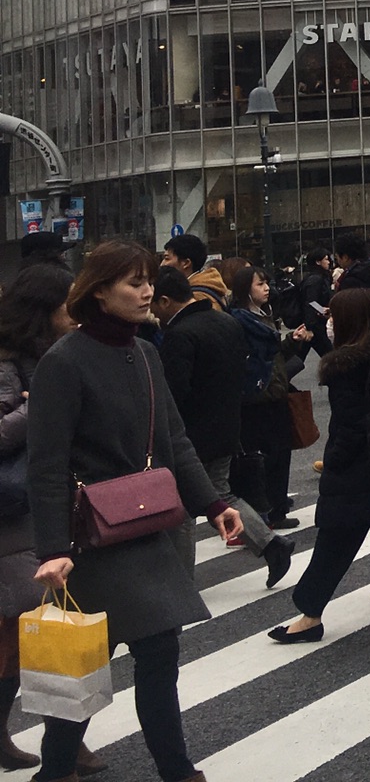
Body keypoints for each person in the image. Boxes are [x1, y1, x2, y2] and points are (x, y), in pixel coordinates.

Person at [30, 240, 246, 782]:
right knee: (83, 665)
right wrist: (53, 549)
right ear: (98, 292)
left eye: (149, 279)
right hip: (90, 542)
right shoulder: (63, 362)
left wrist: (213, 502)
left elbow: (174, 437)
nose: (147, 290)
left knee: (155, 650)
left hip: (147, 526)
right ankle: (59, 771)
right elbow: (48, 465)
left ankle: (173, 769)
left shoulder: (147, 352)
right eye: (133, 282)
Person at [267, 287, 370, 642]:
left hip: (357, 469)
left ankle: (310, 615)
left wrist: (335, 459)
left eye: (334, 316)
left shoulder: (346, 366)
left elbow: (351, 425)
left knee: (335, 541)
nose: (329, 322)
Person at [0, 265, 93, 775]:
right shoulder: (7, 364)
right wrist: (33, 412)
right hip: (13, 515)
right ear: (44, 309)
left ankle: (66, 736)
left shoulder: (58, 356)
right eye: (68, 303)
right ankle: (58, 739)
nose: (75, 313)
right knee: (25, 632)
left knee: (47, 627)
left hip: (51, 507)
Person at [151, 267, 292, 585]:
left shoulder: (180, 334)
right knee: (220, 492)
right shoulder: (225, 320)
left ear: (165, 300)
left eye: (155, 305)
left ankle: (182, 582)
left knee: (184, 505)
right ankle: (272, 546)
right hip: (228, 423)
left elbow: (174, 392)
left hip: (191, 433)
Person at [230, 264, 311, 530]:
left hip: (274, 394)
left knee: (279, 454)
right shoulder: (241, 321)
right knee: (262, 459)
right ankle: (265, 513)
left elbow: (274, 357)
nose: (266, 288)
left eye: (266, 283)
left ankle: (275, 508)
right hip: (256, 400)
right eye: (259, 284)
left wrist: (293, 342)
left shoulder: (265, 316)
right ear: (245, 289)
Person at [159, 232, 226, 307]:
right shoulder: (209, 287)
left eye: (167, 258)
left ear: (186, 263)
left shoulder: (196, 299)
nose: (162, 264)